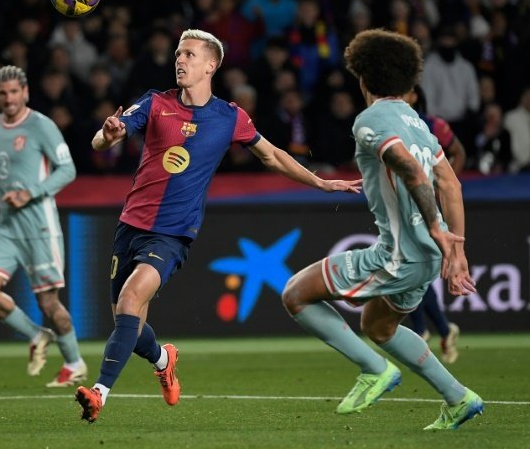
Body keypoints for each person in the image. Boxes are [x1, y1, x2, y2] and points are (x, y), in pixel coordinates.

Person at [74, 29, 362, 423]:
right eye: (178, 53)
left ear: (211, 65)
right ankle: (163, 358)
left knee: (129, 300)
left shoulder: (230, 117)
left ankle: (99, 393)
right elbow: (101, 141)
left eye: (189, 55)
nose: (180, 60)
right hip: (130, 226)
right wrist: (108, 136)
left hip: (173, 233)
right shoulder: (155, 103)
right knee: (128, 323)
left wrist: (321, 182)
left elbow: (273, 156)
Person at [281, 29, 483, 431]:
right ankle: (460, 398)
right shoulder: (418, 122)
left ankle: (374, 369)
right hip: (427, 256)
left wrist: (436, 230)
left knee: (295, 295)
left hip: (400, 254)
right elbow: (451, 184)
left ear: (362, 78)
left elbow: (407, 168)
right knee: (378, 325)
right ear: (408, 80)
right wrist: (454, 250)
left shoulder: (370, 120)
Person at [0, 65, 86, 388]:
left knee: (49, 304)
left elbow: (68, 170)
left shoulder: (42, 126)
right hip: (7, 227)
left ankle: (74, 363)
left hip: (40, 226)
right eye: (2, 93)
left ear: (26, 93)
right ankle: (38, 335)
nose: (8, 99)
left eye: (14, 92)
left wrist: (30, 193)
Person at [403, 85, 465, 364]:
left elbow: (458, 153)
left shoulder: (432, 125)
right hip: (406, 202)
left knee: (412, 265)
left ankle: (422, 329)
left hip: (429, 205)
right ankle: (438, 328)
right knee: (413, 266)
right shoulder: (393, 121)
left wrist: (445, 185)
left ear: (416, 95)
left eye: (406, 92)